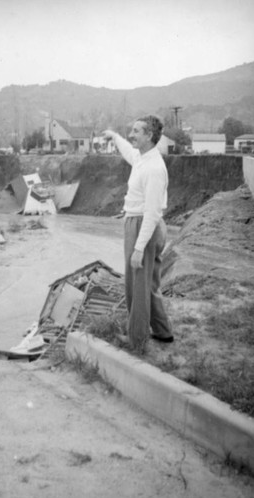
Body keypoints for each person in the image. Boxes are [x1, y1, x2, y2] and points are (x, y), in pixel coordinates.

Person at [103, 116, 173, 352]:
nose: (131, 135)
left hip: (143, 224)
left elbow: (152, 212)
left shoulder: (154, 168)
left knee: (137, 285)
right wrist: (115, 137)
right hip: (142, 223)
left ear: (149, 136)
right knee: (149, 283)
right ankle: (162, 332)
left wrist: (139, 248)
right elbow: (128, 153)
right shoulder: (143, 158)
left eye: (136, 131)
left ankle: (137, 339)